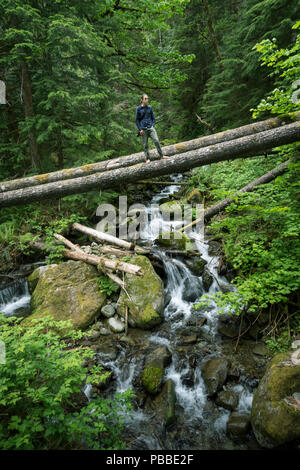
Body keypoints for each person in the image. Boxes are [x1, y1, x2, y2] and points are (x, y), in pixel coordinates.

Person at [135, 93, 168, 163]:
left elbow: (153, 118)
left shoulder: (150, 107)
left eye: (147, 99)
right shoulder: (138, 109)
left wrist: (153, 125)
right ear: (142, 100)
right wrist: (140, 129)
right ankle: (147, 158)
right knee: (145, 145)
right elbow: (137, 120)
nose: (147, 100)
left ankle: (161, 155)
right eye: (145, 99)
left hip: (150, 127)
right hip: (143, 129)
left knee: (156, 140)